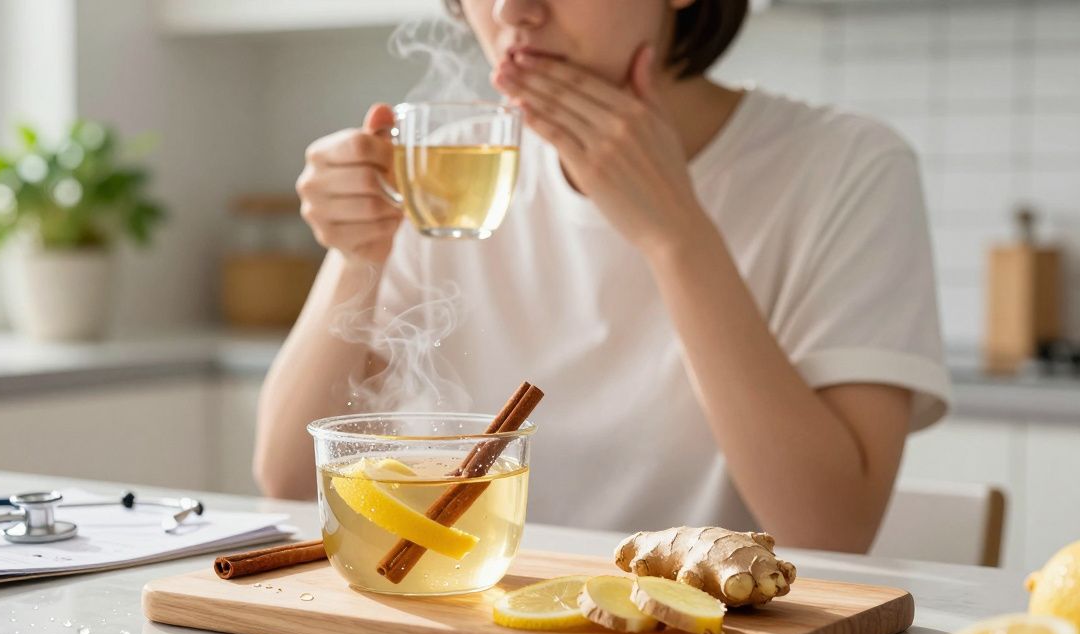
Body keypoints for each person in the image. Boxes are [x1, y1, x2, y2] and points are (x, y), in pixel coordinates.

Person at [254, 0, 952, 553]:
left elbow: (831, 532)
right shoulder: (455, 171)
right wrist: (357, 253)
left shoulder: (848, 167)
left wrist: (676, 234)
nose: (513, 10)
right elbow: (286, 481)